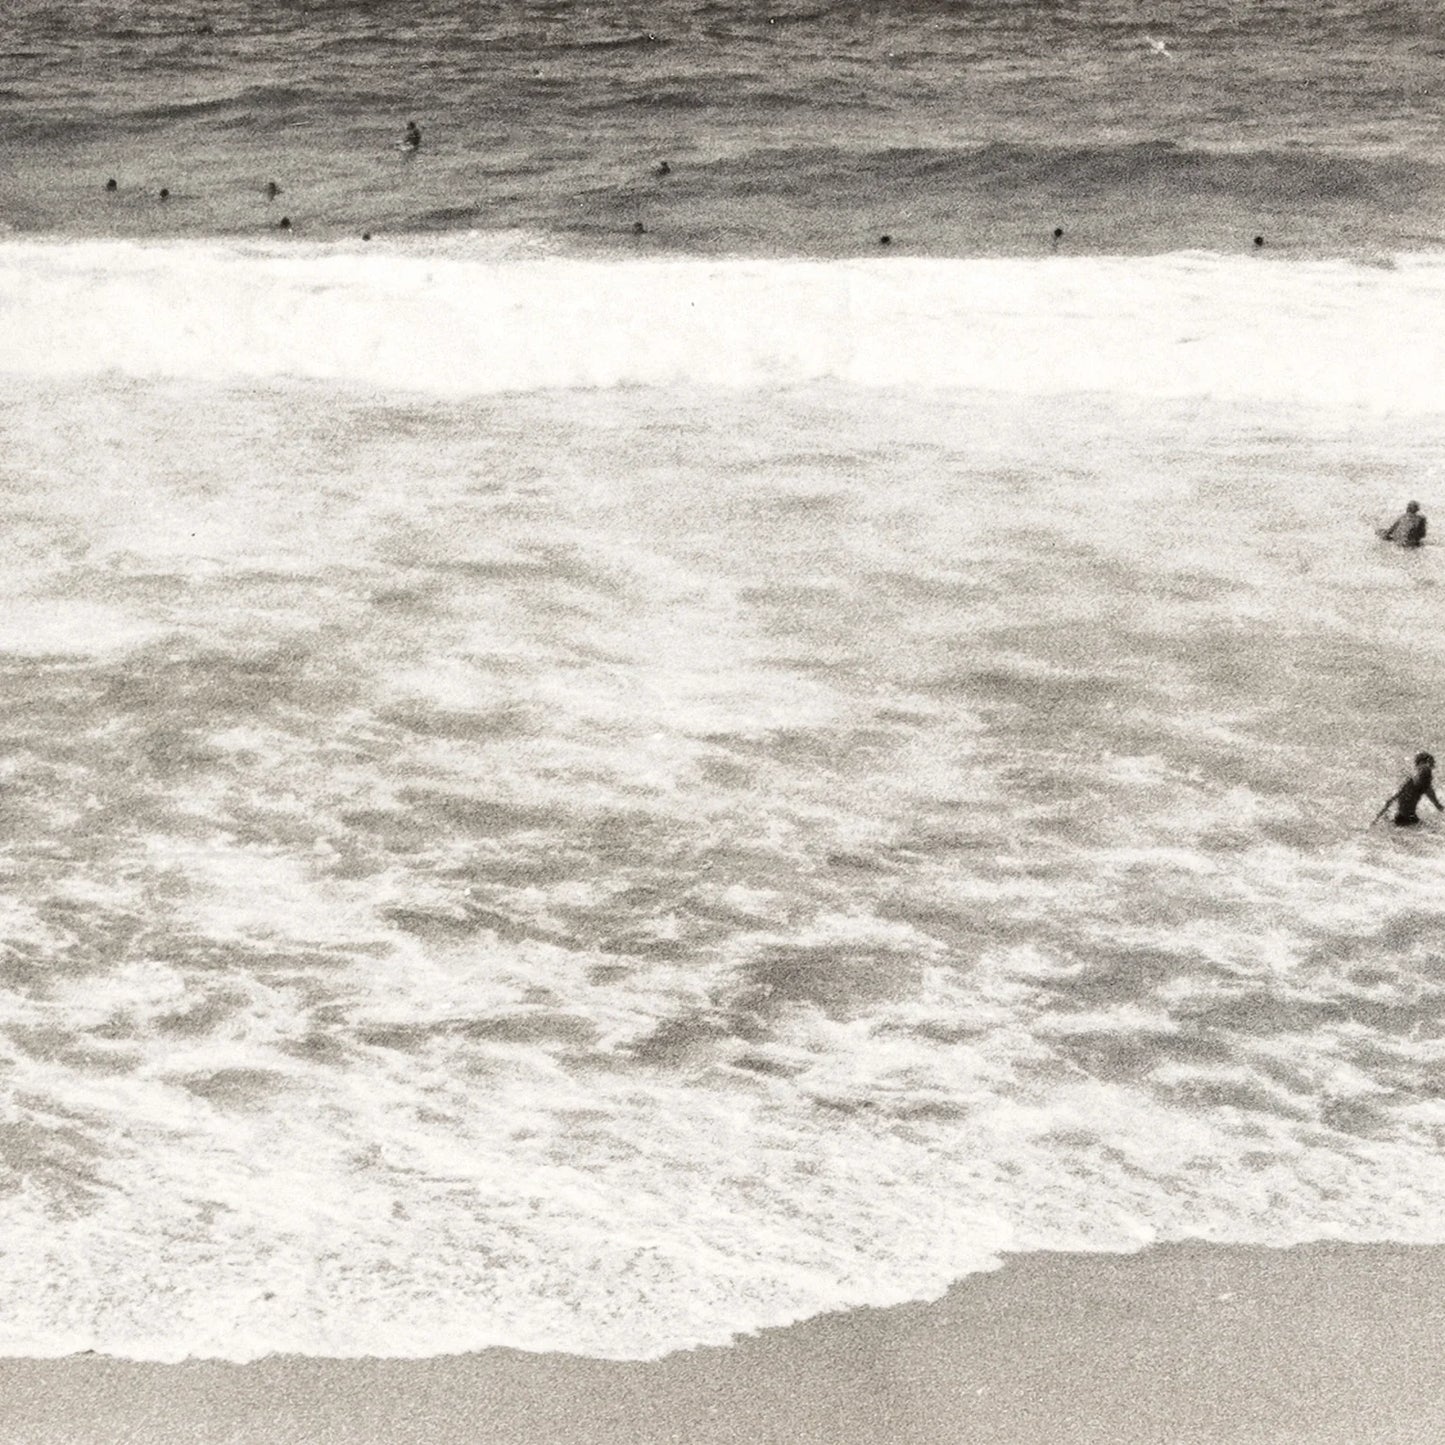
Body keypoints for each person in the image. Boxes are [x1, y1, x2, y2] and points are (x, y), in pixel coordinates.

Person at [1376, 752, 1442, 827]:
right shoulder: (1410, 782)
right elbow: (1390, 800)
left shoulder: (1425, 785)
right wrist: (1376, 820)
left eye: (1429, 770)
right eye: (1426, 769)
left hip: (1409, 819)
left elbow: (1438, 806)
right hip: (1402, 819)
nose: (1428, 772)